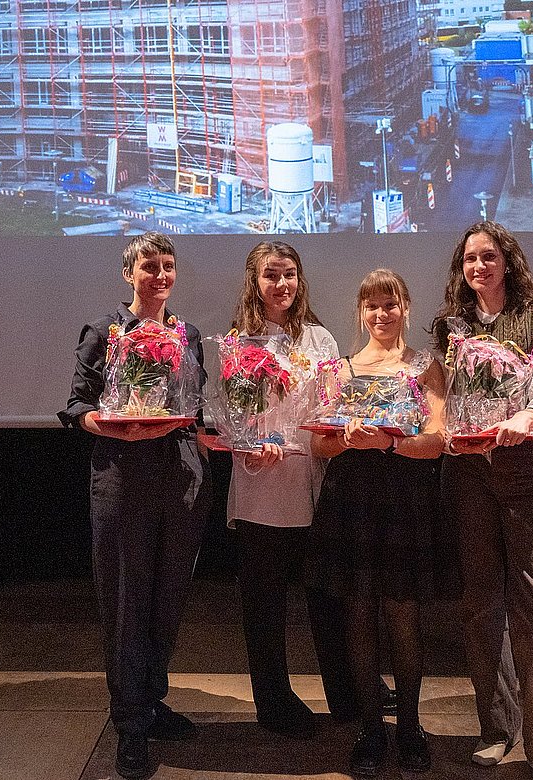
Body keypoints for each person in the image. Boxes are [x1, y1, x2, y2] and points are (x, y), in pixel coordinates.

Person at [431, 222, 533, 780]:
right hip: (470, 475)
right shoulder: (452, 327)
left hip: (527, 473)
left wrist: (528, 416)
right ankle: (496, 728)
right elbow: (442, 397)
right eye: (470, 259)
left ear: (508, 261)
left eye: (488, 256)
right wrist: (441, 427)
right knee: (480, 608)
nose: (479, 267)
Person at [59, 232, 211, 780]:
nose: (161, 275)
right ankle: (127, 723)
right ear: (130, 273)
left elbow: (193, 405)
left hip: (180, 478)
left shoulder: (187, 333)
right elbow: (75, 404)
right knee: (126, 600)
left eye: (168, 266)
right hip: (122, 477)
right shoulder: (105, 331)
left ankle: (151, 700)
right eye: (150, 266)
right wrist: (106, 423)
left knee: (168, 599)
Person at [306, 269, 454, 776]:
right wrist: (348, 437)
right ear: (361, 313)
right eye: (371, 306)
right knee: (359, 619)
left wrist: (388, 441)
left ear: (406, 308)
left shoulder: (425, 366)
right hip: (352, 502)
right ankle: (370, 729)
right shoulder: (341, 369)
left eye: (390, 304)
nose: (381, 314)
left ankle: (409, 726)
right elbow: (318, 444)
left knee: (404, 619)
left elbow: (438, 440)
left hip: (405, 502)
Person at [225, 240, 357, 738]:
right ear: (254, 282)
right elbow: (230, 414)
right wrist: (251, 440)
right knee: (264, 607)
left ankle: (346, 695)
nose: (281, 285)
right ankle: (273, 703)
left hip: (313, 485)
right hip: (261, 487)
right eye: (271, 275)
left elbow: (332, 406)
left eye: (289, 275)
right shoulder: (241, 342)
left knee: (328, 602)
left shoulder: (320, 340)